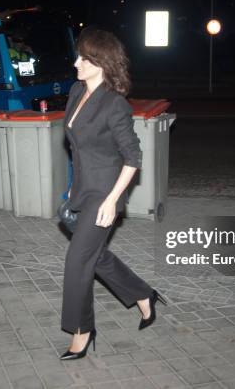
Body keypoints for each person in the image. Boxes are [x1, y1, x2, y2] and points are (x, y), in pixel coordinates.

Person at [60, 28, 165, 360]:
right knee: (95, 256)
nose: (76, 62)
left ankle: (82, 330)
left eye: (83, 57)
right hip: (82, 188)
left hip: (105, 192)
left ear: (100, 62)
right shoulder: (77, 91)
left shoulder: (114, 104)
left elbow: (133, 157)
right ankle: (142, 293)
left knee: (77, 261)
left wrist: (111, 200)